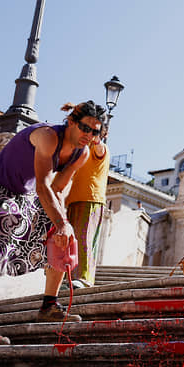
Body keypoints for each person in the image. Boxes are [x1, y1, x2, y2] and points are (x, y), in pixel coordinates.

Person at [0, 100, 106, 344]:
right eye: (85, 128)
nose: (89, 135)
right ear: (71, 122)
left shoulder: (82, 153)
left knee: (63, 237)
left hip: (30, 192)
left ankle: (49, 305)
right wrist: (60, 221)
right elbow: (44, 184)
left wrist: (61, 224)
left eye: (95, 131)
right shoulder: (48, 137)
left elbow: (56, 188)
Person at [64, 108, 111, 288]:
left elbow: (99, 148)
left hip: (91, 198)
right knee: (72, 240)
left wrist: (96, 137)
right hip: (74, 199)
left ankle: (85, 278)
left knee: (85, 238)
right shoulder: (80, 148)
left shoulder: (100, 148)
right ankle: (73, 278)